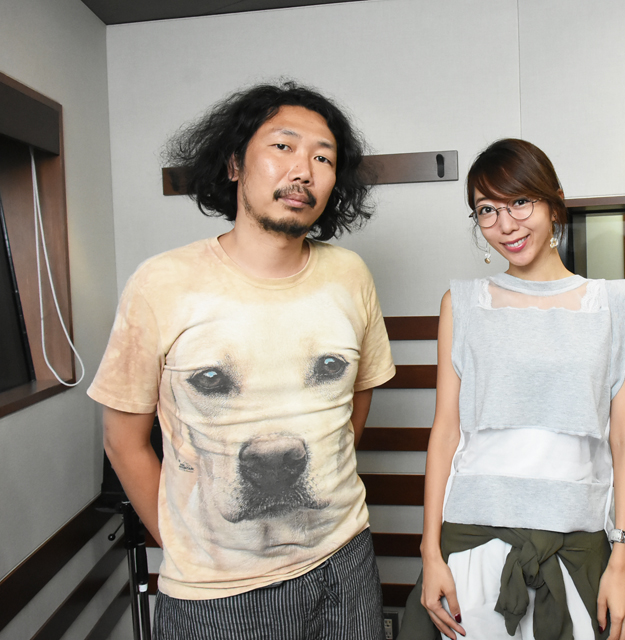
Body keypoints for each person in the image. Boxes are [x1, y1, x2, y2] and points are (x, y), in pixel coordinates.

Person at [88, 81, 395, 639]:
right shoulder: (161, 283)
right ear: (234, 164)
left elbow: (357, 394)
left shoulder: (350, 275)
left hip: (345, 558)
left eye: (323, 158)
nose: (303, 170)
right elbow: (122, 440)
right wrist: (186, 545)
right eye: (283, 146)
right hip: (219, 593)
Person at [400, 139, 625, 640]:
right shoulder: (461, 304)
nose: (505, 225)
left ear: (554, 203)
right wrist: (430, 552)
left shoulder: (615, 305)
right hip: (471, 542)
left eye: (519, 202)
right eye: (487, 210)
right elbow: (445, 433)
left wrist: (624, 559)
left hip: (577, 545)